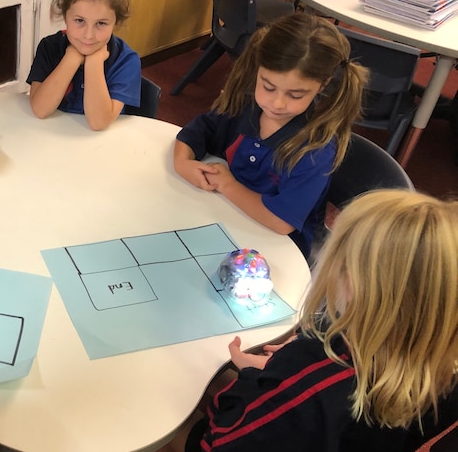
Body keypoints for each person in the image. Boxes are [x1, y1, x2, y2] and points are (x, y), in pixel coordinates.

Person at [185, 190, 458, 451]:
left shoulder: (313, 380)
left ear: (354, 283)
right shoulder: (444, 373)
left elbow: (223, 441)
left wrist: (258, 376)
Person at [174, 12, 367, 258]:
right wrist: (182, 162)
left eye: (295, 95)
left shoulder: (315, 151)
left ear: (323, 83)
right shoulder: (247, 105)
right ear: (258, 69)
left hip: (281, 249)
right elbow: (201, 129)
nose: (276, 103)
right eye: (268, 86)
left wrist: (227, 185)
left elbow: (281, 222)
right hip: (229, 217)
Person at [27, 0, 141, 131]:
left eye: (101, 23)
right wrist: (71, 58)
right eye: (80, 21)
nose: (88, 35)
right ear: (65, 16)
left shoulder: (126, 60)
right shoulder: (49, 47)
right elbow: (40, 110)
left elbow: (98, 123)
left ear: (115, 22)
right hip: (54, 136)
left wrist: (94, 62)